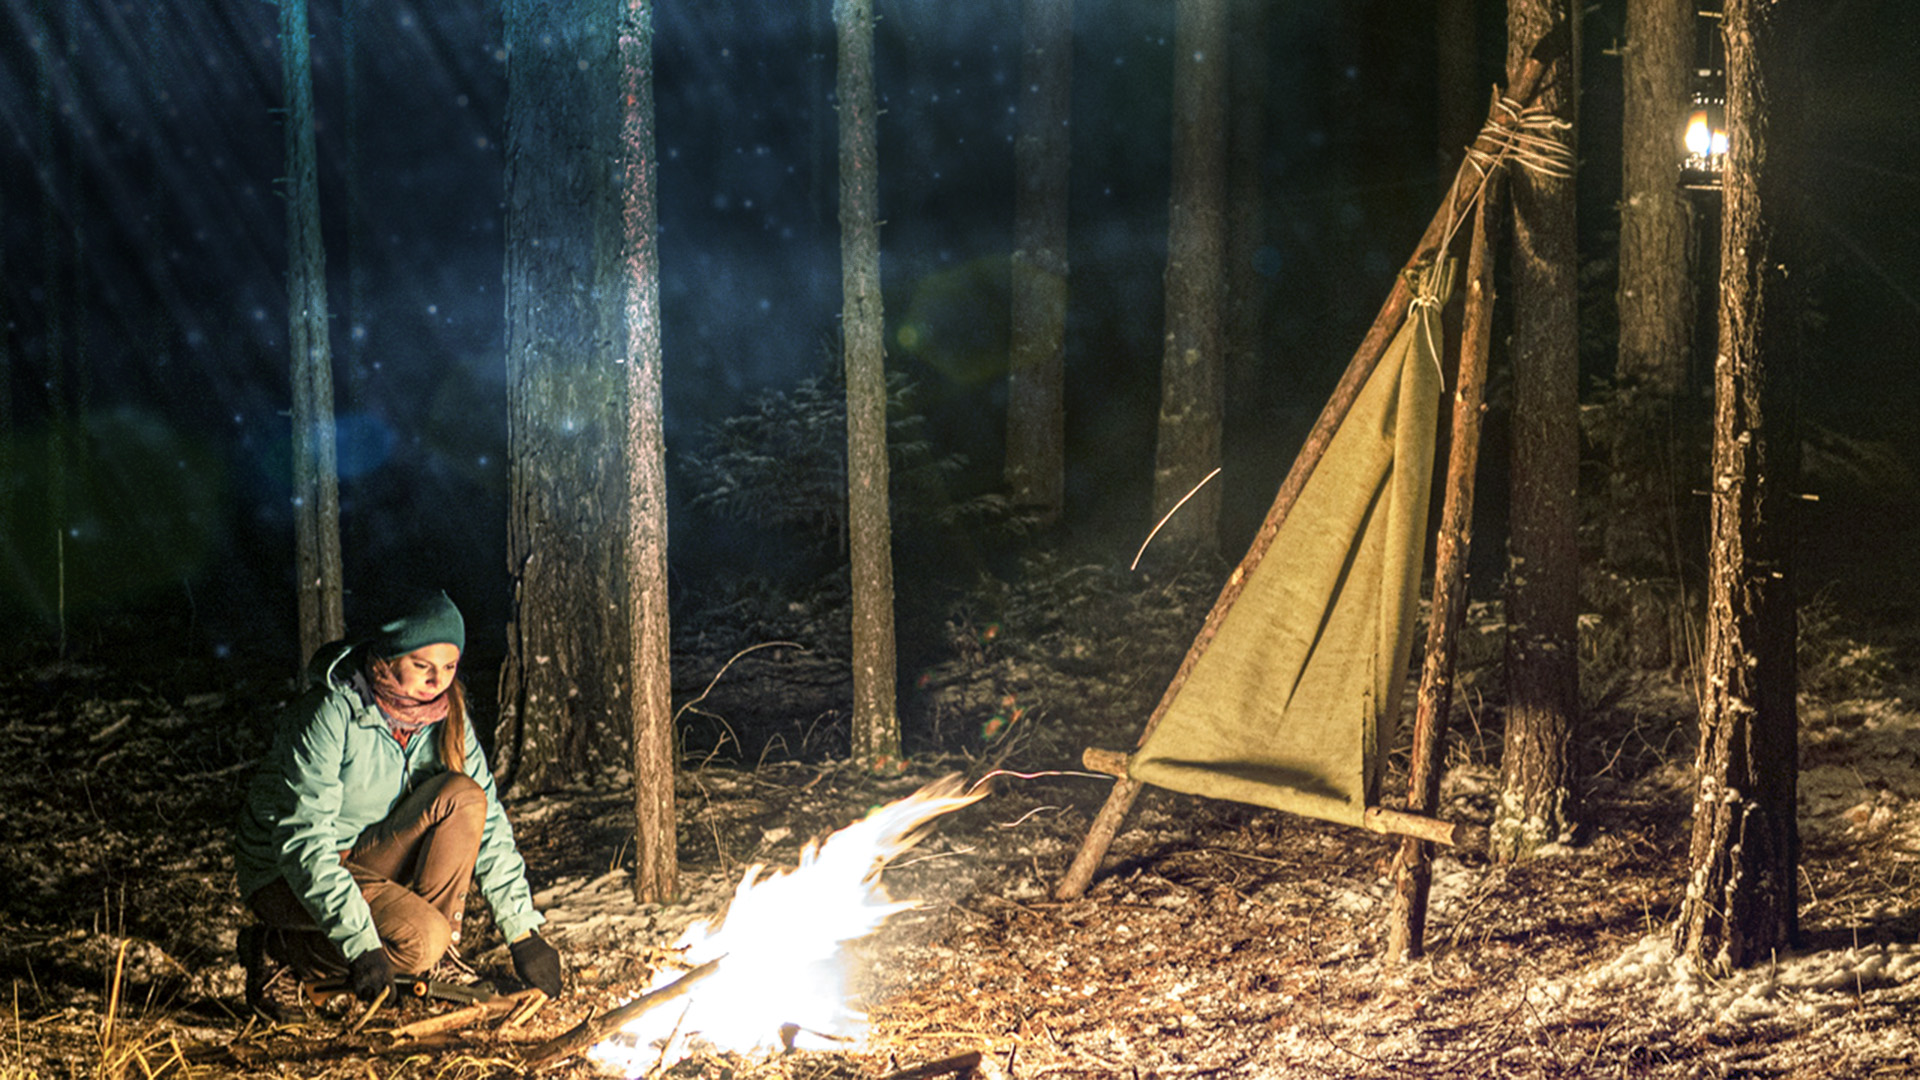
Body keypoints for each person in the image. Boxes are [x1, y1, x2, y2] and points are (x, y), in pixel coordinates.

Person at [233, 590, 562, 1017]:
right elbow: (304, 843)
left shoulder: (446, 714)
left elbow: (491, 829)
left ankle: (432, 963)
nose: (437, 681)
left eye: (449, 667)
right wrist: (361, 945)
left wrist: (522, 933)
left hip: (368, 857)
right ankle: (280, 951)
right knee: (421, 940)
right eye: (422, 666)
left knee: (465, 797)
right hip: (286, 873)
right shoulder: (330, 711)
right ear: (386, 659)